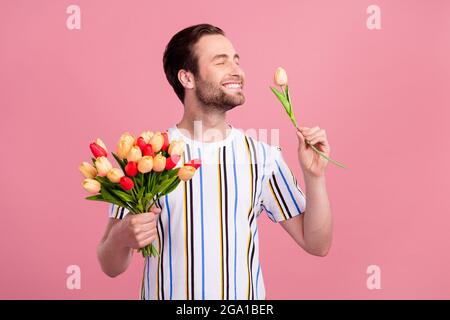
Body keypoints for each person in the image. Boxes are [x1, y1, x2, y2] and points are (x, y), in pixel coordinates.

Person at [97, 23, 333, 300]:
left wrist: (315, 176)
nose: (237, 70)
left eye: (236, 60)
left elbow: (317, 243)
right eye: (221, 61)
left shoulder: (262, 157)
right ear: (187, 78)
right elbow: (110, 265)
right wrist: (122, 237)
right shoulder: (146, 156)